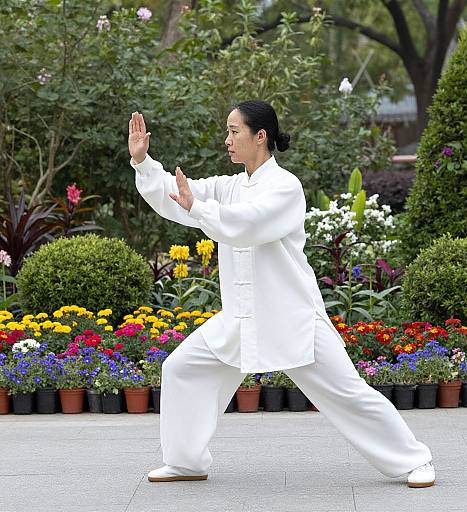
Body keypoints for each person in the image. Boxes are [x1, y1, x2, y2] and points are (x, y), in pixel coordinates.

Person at [128, 101, 435, 488]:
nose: (227, 140)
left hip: (291, 318)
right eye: (227, 132)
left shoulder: (285, 187)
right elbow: (180, 194)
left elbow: (247, 224)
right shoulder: (230, 186)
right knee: (182, 369)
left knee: (348, 392)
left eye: (233, 131)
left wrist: (200, 209)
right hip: (240, 320)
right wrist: (144, 163)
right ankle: (186, 462)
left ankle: (414, 460)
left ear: (260, 136)